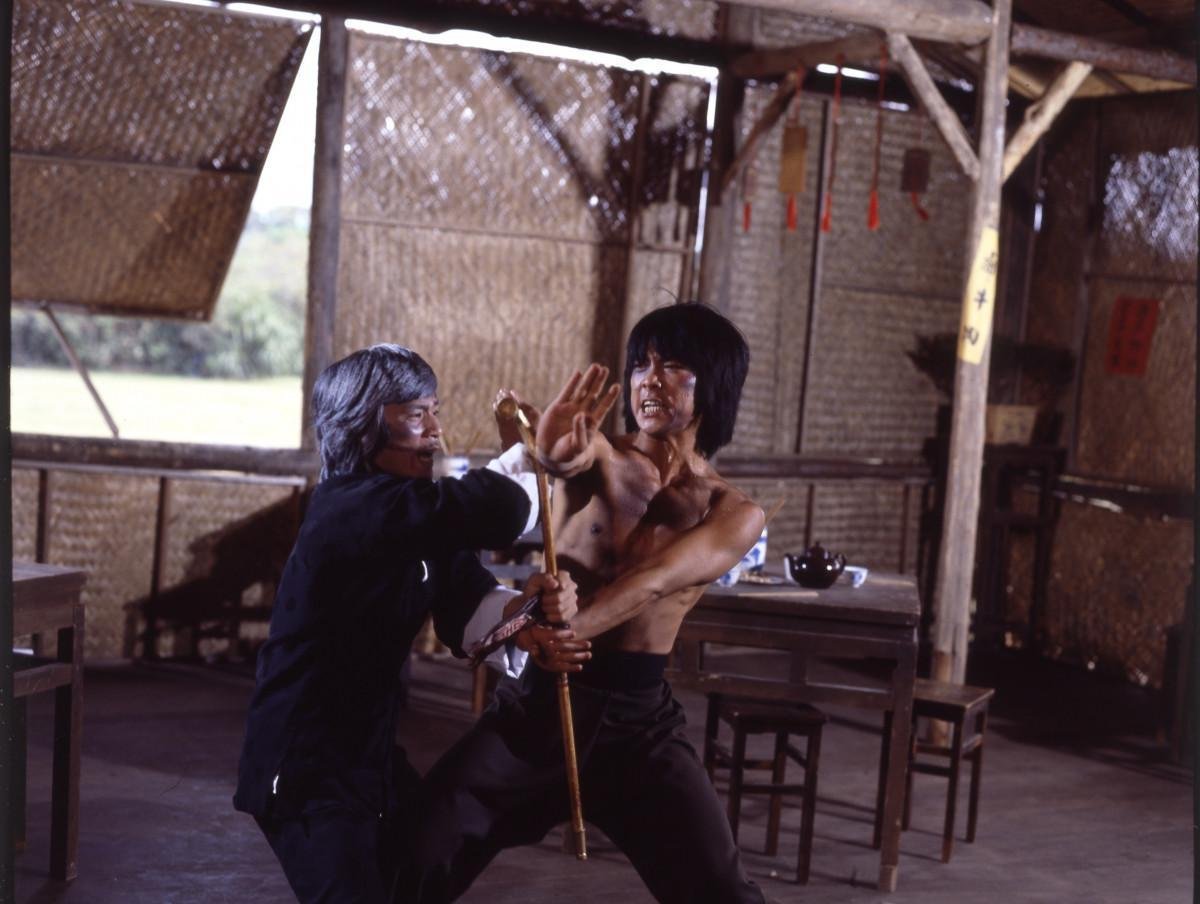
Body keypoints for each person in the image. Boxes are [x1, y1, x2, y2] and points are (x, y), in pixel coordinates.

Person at [398, 304, 767, 903]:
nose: (650, 380)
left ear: (716, 384)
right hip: (542, 707)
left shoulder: (734, 513)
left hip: (640, 725)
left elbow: (654, 582)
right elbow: (566, 457)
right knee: (417, 850)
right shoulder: (601, 455)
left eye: (673, 366)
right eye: (642, 365)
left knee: (721, 891)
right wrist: (549, 452)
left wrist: (565, 632)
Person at [233, 343, 588, 904]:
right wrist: (529, 452)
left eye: (435, 412)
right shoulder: (349, 507)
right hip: (306, 768)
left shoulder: (410, 512)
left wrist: (527, 616)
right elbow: (497, 512)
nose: (435, 433)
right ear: (362, 425)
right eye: (416, 415)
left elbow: (464, 602)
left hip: (367, 757)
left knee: (417, 872)